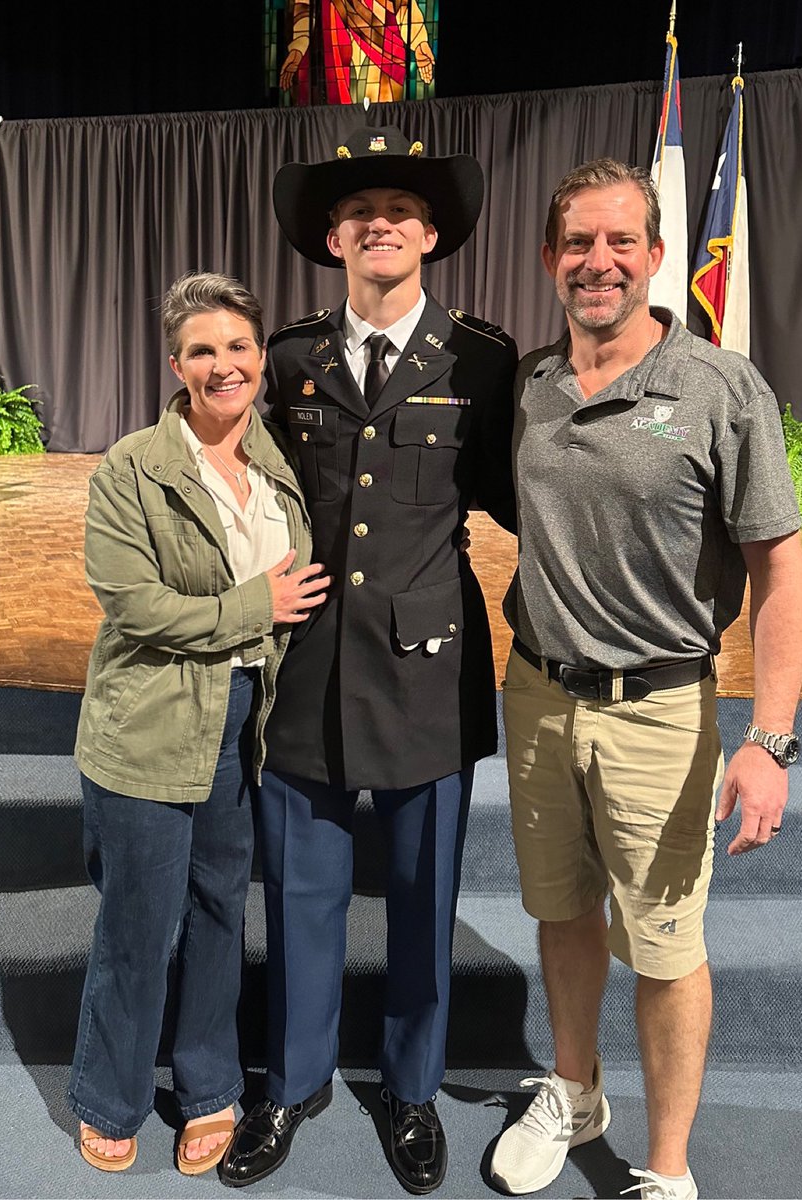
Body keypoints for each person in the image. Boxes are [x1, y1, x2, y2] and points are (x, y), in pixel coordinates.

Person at [490, 158, 802, 1200]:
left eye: (621, 241)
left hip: (661, 710)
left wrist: (768, 740)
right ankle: (575, 1090)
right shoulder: (532, 387)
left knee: (667, 947)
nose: (599, 262)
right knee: (563, 907)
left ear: (657, 256)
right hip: (536, 696)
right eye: (578, 242)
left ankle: (667, 1171)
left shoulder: (721, 389)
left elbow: (779, 570)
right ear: (549, 258)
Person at [219, 125, 516, 1194]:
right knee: (299, 892)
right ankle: (292, 1084)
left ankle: (412, 1087)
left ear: (431, 235)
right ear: (332, 239)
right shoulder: (287, 359)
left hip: (428, 672)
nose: (379, 221)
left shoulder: (481, 360)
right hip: (306, 664)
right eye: (359, 212)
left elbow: (523, 501)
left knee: (424, 898)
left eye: (400, 209)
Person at [68, 271, 329, 1174]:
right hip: (149, 723)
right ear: (175, 363)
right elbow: (132, 604)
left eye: (239, 347)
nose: (225, 366)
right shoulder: (133, 465)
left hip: (245, 720)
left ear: (262, 356)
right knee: (140, 920)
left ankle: (211, 1086)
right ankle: (111, 1093)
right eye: (203, 350)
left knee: (222, 908)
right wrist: (254, 604)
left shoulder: (278, 459)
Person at [280, 0, 435, 105]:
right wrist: (298, 46)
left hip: (385, 46)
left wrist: (419, 41)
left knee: (385, 122)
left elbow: (403, 5)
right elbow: (305, 6)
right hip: (333, 49)